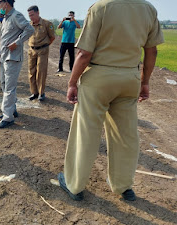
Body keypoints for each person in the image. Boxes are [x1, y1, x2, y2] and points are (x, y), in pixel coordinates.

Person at [58, 0, 164, 201]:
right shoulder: (148, 9)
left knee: (87, 131)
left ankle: (75, 185)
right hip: (129, 77)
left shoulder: (101, 7)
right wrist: (145, 82)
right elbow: (152, 51)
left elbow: (84, 53)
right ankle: (123, 186)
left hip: (99, 77)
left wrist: (72, 83)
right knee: (126, 134)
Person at [0, 0, 34, 129]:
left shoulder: (16, 15)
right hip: (5, 56)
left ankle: (7, 117)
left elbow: (29, 29)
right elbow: (4, 38)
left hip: (13, 57)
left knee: (9, 88)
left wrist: (17, 42)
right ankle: (12, 109)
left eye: (0, 3)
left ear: (6, 3)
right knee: (4, 85)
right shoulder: (6, 19)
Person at [27, 5, 56, 101]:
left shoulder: (47, 24)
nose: (31, 17)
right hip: (32, 50)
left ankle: (41, 93)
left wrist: (45, 46)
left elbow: (52, 37)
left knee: (41, 72)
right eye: (29, 15)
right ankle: (34, 92)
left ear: (38, 13)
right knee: (31, 72)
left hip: (42, 50)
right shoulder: (29, 25)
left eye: (32, 15)